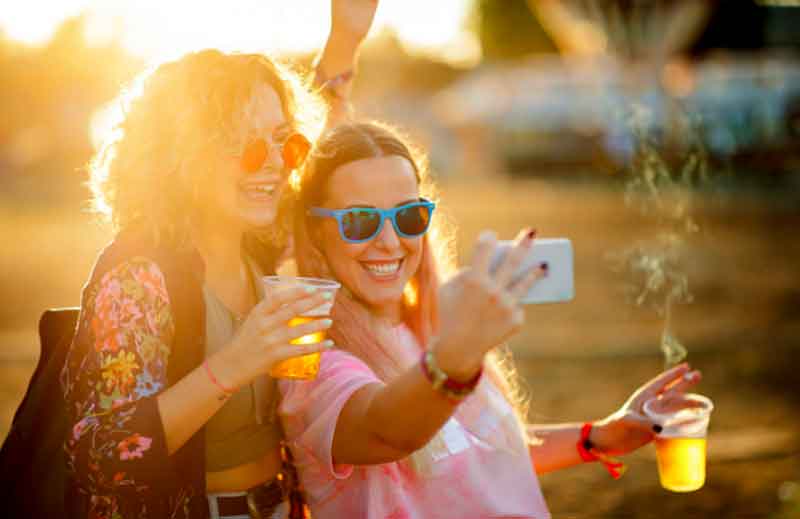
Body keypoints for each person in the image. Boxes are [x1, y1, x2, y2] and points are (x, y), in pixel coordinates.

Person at [280, 121, 704, 518]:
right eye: (359, 221)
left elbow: (476, 454)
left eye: (408, 216)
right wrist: (453, 362)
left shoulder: (420, 330)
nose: (389, 241)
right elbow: (390, 432)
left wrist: (596, 436)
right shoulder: (311, 362)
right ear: (316, 231)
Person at [60, 2, 379, 518]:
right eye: (247, 146)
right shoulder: (138, 277)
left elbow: (324, 125)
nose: (275, 162)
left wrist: (345, 38)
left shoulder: (266, 243)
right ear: (184, 157)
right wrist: (236, 362)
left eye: (282, 141)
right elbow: (100, 452)